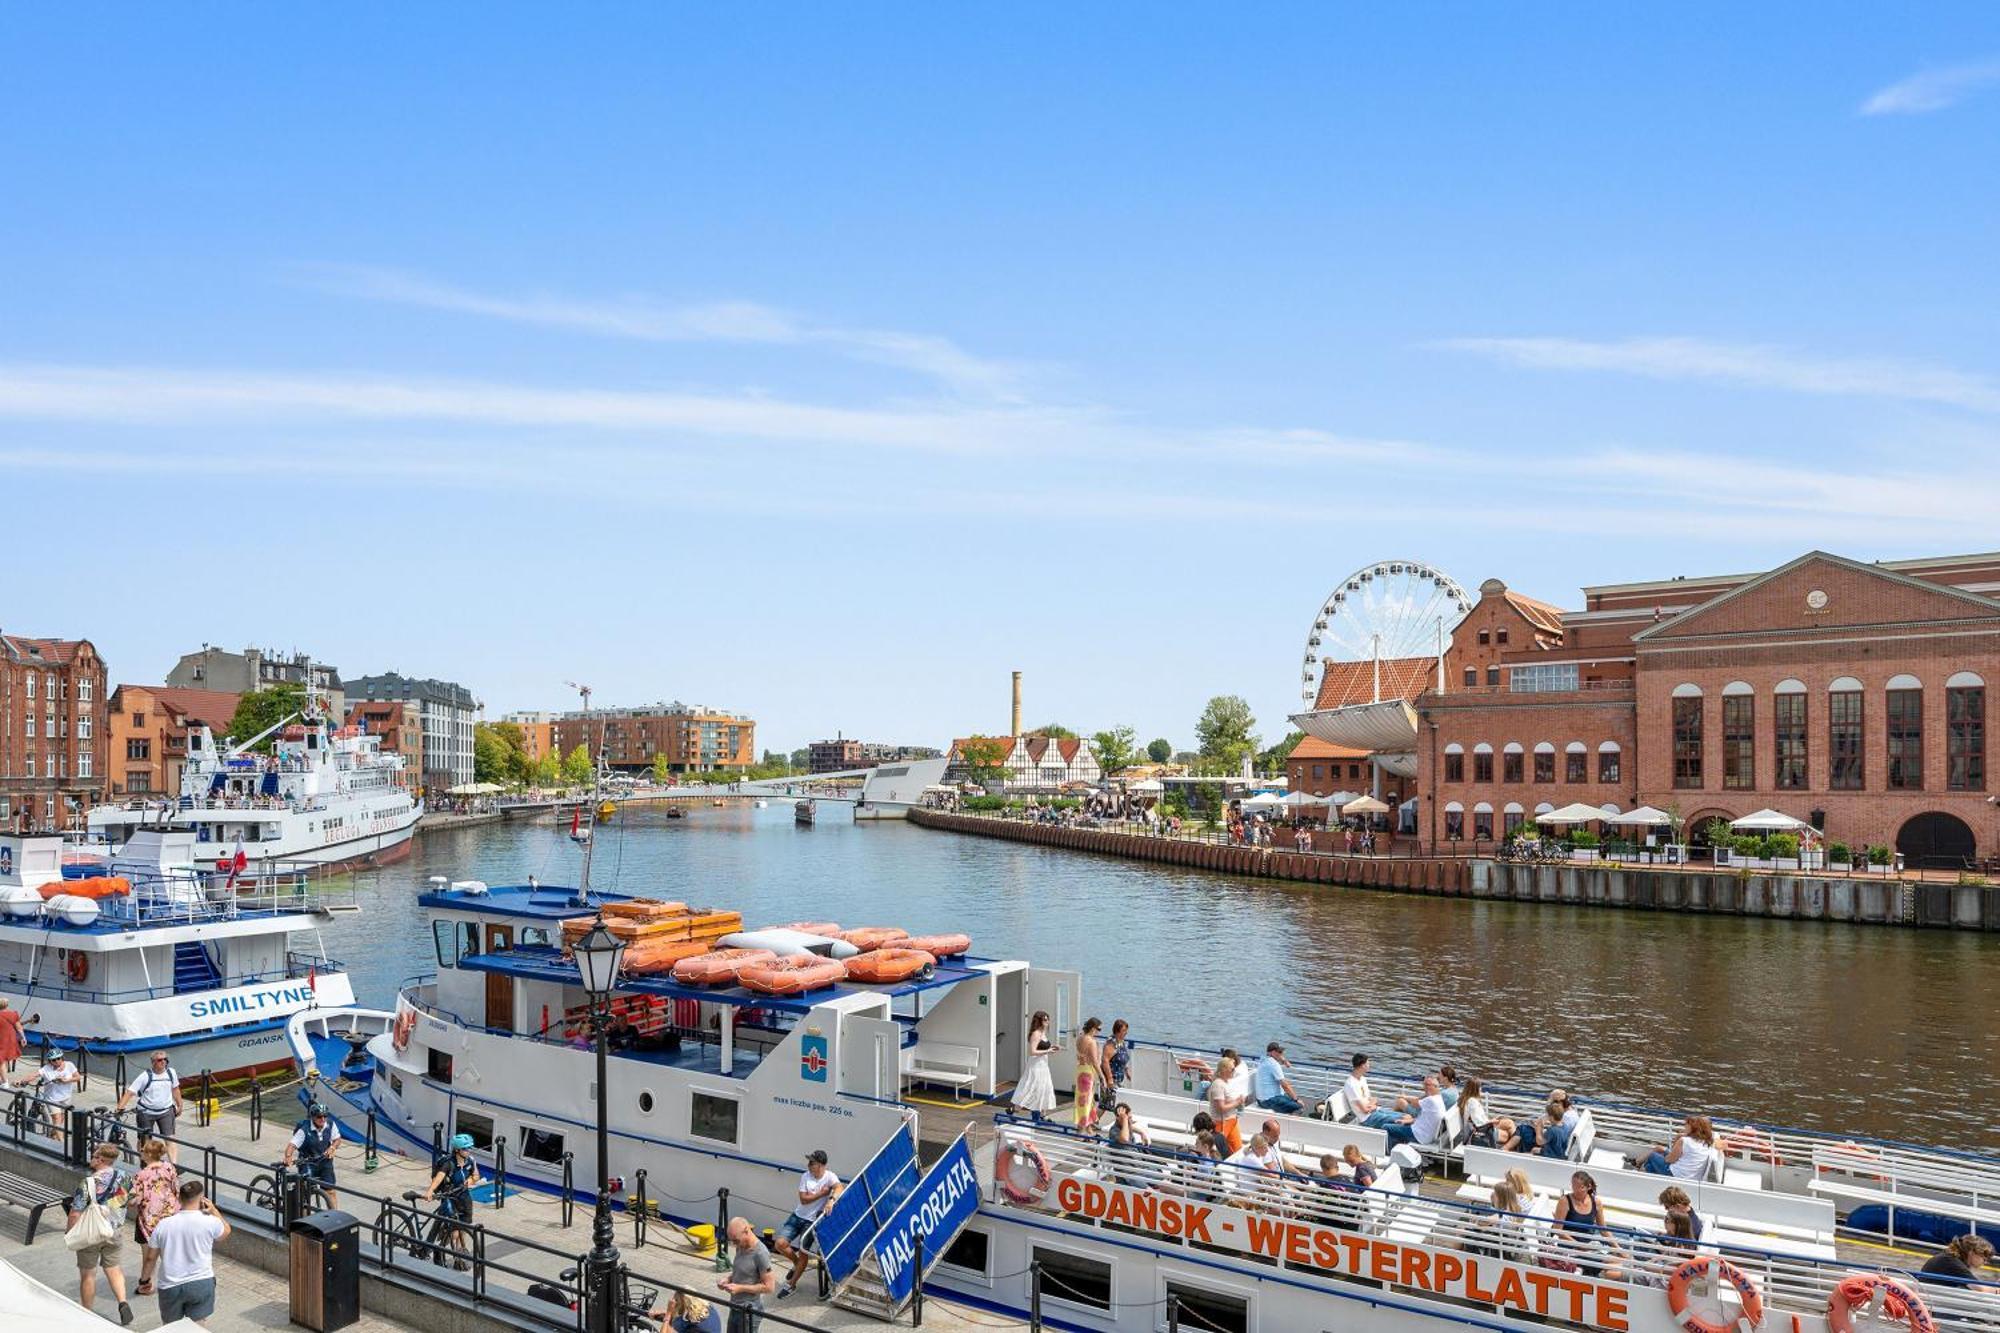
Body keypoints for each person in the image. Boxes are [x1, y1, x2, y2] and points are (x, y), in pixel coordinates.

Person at [67, 1141, 135, 1325]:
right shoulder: (124, 1176)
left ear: (101, 1159)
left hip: (92, 1233)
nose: (91, 1158)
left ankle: (87, 1314)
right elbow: (133, 1200)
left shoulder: (88, 1183)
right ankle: (123, 1302)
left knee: (88, 1274)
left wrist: (70, 1232)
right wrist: (113, 1208)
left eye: (94, 1155)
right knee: (114, 1268)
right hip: (114, 1231)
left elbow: (75, 1212)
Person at [149, 1180, 229, 1328]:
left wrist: (145, 1279)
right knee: (197, 1327)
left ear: (179, 1199)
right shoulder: (210, 1221)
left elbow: (150, 1258)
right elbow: (226, 1232)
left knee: (171, 1328)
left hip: (170, 1285)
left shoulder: (163, 1225)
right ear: (202, 1199)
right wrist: (213, 1210)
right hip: (201, 1282)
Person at [775, 1149, 840, 1298]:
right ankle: (798, 1264)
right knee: (780, 1244)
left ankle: (791, 1285)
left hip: (811, 1222)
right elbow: (803, 1199)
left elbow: (839, 1187)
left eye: (812, 1162)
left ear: (822, 1165)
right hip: (798, 1216)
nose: (809, 1165)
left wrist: (831, 1200)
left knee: (804, 1252)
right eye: (809, 1162)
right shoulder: (806, 1176)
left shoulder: (830, 1176)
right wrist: (822, 1194)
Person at [422, 1132, 481, 1270]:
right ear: (457, 1150)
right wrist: (430, 1191)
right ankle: (450, 1253)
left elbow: (476, 1176)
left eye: (469, 1148)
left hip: (464, 1197)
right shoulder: (449, 1164)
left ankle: (458, 1257)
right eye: (466, 1149)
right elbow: (439, 1178)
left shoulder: (470, 1160)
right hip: (450, 1196)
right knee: (454, 1231)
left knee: (464, 1228)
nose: (468, 1151)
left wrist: (470, 1181)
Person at [131, 1138, 180, 1298]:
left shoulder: (141, 1175)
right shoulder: (169, 1167)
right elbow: (176, 1189)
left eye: (143, 1150)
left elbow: (136, 1199)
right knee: (170, 1252)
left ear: (149, 1154)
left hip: (149, 1219)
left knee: (148, 1254)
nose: (141, 1152)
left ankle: (147, 1283)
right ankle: (175, 1282)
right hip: (170, 1215)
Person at [116, 1050, 184, 1161]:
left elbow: (175, 1089)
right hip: (146, 1112)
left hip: (166, 1111)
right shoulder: (145, 1076)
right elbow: (130, 1092)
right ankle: (144, 1162)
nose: (163, 1062)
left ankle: (174, 1166)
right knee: (144, 1140)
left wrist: (179, 1104)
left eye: (165, 1059)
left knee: (170, 1139)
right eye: (159, 1060)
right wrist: (120, 1107)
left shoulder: (171, 1073)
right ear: (153, 1062)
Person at [716, 1215, 776, 1332]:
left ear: (746, 1231)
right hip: (735, 1307)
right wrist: (728, 1279)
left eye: (736, 1240)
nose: (734, 1244)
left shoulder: (761, 1253)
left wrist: (740, 1288)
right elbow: (742, 1271)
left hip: (749, 1312)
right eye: (732, 1241)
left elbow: (769, 1287)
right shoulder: (741, 1245)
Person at [284, 1101, 343, 1209]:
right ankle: (304, 1217)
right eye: (319, 1117)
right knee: (306, 1194)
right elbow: (292, 1145)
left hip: (324, 1161)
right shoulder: (304, 1130)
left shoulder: (330, 1124)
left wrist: (333, 1147)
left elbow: (337, 1139)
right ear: (313, 1117)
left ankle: (334, 1215)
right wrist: (288, 1157)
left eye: (325, 1116)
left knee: (330, 1191)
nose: (323, 1119)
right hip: (308, 1162)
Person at [12, 1044, 80, 1137]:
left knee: (60, 1121)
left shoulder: (69, 1065)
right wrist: (21, 1081)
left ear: (62, 1057)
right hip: (52, 1098)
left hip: (66, 1097)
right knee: (56, 1118)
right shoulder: (46, 1069)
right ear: (50, 1061)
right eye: (53, 1060)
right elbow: (34, 1075)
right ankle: (61, 1144)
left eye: (58, 1058)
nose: (56, 1061)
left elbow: (77, 1077)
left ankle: (52, 1136)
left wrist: (66, 1080)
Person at [1641, 1115, 1719, 1181]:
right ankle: (1649, 1175)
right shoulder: (1708, 1141)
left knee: (1653, 1156)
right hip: (1693, 1177)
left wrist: (1666, 1155)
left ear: (1694, 1128)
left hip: (1676, 1176)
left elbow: (1669, 1160)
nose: (1685, 1126)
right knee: (1652, 1162)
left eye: (1687, 1125)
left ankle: (1649, 1178)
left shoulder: (1685, 1141)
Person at [1011, 1011, 1057, 1121]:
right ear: (1039, 1021)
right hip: (1036, 1065)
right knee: (1031, 1087)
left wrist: (1052, 1048)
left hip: (1043, 1065)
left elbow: (1043, 1047)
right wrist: (1047, 1051)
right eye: (1045, 1020)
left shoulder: (1043, 1033)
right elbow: (1032, 1051)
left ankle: (1041, 1114)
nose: (1047, 1022)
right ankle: (1013, 1110)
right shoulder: (1036, 1033)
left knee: (1044, 1087)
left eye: (1048, 1019)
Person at [1383, 1076, 1445, 1148]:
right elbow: (1425, 1118)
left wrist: (1405, 1097)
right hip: (1426, 1134)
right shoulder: (1439, 1098)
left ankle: (1389, 1153)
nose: (1425, 1087)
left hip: (1419, 1136)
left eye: (1427, 1085)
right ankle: (1399, 1148)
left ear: (1435, 1087)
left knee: (1386, 1127)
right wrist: (1408, 1121)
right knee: (1400, 1125)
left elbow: (1414, 1104)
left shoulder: (1431, 1100)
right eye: (1424, 1084)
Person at [1919, 1235, 1996, 1290]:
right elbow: (1979, 1288)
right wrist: (1997, 1290)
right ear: (1972, 1252)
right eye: (1984, 1258)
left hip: (1931, 1296)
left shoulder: (1950, 1258)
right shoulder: (1952, 1262)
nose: (1985, 1262)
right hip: (1931, 1302)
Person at [1206, 1055, 1245, 1153]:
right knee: (1220, 1150)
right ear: (1224, 1070)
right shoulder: (1218, 1085)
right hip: (1222, 1122)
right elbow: (1221, 1108)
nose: (1234, 1072)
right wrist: (1237, 1102)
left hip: (1231, 1120)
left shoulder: (1225, 1083)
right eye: (1232, 1069)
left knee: (1237, 1149)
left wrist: (1238, 1101)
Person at [1252, 1042, 1303, 1115]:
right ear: (1273, 1052)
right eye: (1279, 1052)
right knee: (1299, 1106)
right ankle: (1286, 1124)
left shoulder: (1264, 1059)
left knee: (1291, 1099)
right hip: (1268, 1101)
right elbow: (1285, 1085)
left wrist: (1284, 1060)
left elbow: (1278, 1058)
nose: (1281, 1054)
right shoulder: (1273, 1064)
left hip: (1262, 1099)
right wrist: (1297, 1099)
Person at [1346, 1054, 1395, 1128]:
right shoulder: (1351, 1085)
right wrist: (1373, 1106)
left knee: (1404, 1116)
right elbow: (1364, 1110)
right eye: (1368, 1063)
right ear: (1362, 1065)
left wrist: (1372, 1105)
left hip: (1374, 1112)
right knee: (1400, 1119)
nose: (1369, 1065)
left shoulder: (1362, 1079)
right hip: (1367, 1119)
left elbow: (1372, 1099)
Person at [1073, 1018, 1105, 1130]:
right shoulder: (1091, 1042)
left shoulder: (1080, 1038)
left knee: (1085, 1100)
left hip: (1080, 1070)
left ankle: (1088, 1129)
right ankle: (1080, 1130)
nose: (1099, 1032)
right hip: (1088, 1072)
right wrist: (1102, 1077)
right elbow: (1095, 1062)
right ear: (1093, 1028)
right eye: (1099, 1029)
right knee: (1086, 1101)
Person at [650, 1290, 724, 1332]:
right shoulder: (708, 1307)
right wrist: (665, 1312)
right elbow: (681, 1313)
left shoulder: (695, 1327)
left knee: (668, 1327)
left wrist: (668, 1314)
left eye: (677, 1304)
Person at [1460, 1076, 1495, 1148]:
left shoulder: (1470, 1100)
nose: (1481, 1089)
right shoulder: (1472, 1102)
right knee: (1509, 1127)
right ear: (1475, 1089)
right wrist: (1491, 1121)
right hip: (1480, 1132)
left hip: (1482, 1128)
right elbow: (1479, 1124)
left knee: (1508, 1123)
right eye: (1479, 1087)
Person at [1102, 1019, 1131, 1089]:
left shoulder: (1121, 1041)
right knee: (1110, 1099)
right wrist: (1110, 1079)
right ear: (1117, 1031)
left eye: (1126, 1030)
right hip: (1111, 1081)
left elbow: (1122, 1057)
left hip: (1119, 1080)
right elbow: (1105, 1061)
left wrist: (1126, 1071)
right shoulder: (1111, 1043)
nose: (1126, 1032)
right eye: (1124, 1030)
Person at [0, 997, 22, 1071]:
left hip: (2, 1039)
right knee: (4, 1059)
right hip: (10, 1040)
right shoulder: (13, 1014)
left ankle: (4, 1080)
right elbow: (19, 1028)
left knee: (1, 1060)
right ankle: (3, 1079)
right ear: (7, 1005)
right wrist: (23, 1038)